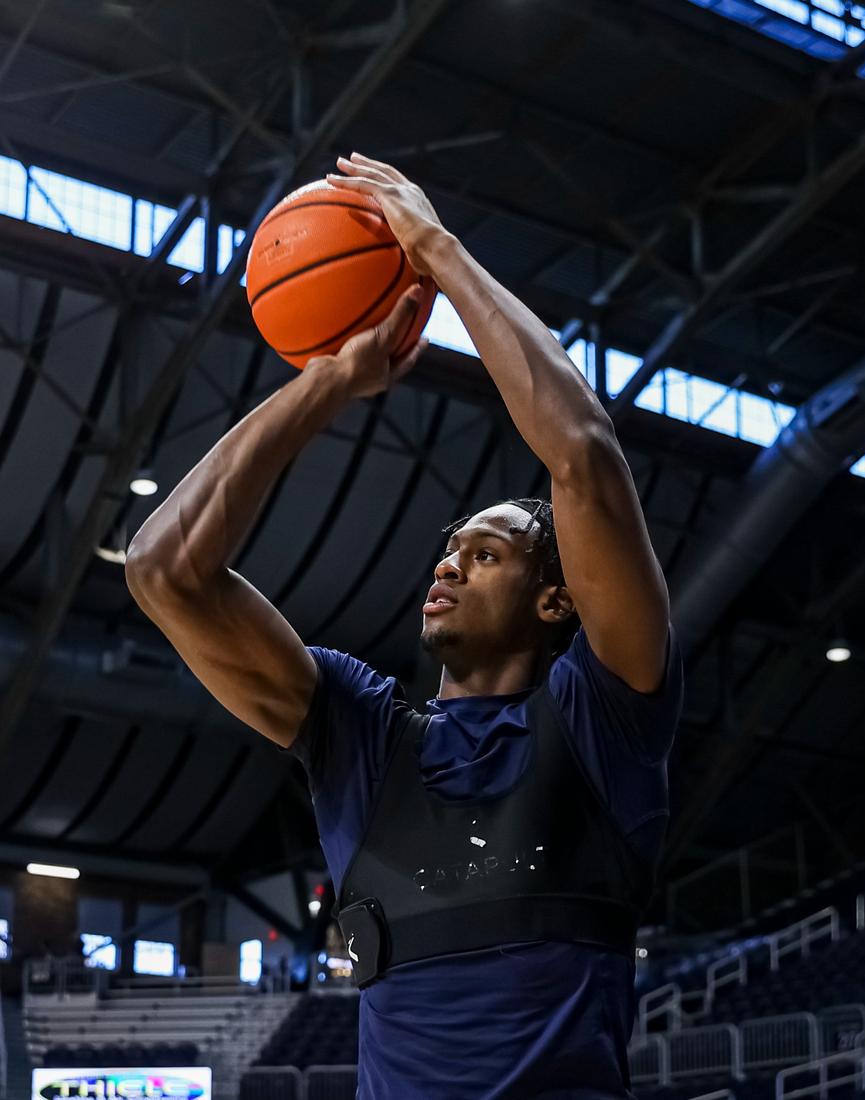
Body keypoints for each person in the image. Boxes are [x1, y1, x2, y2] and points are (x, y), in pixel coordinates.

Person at [125, 152, 684, 1099]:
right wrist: (329, 384)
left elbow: (582, 453)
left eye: (486, 553)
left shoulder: (607, 713)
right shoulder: (359, 729)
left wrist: (437, 251)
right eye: (448, 549)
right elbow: (164, 571)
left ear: (556, 601)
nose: (446, 563)